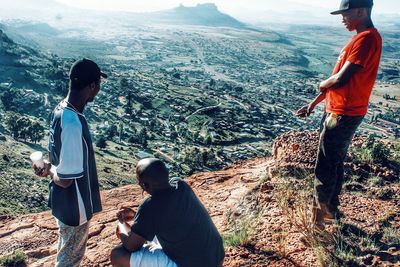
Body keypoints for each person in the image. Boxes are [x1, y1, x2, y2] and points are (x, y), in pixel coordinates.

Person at [296, 0, 382, 229]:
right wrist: (315, 104)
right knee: (333, 163)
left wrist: (319, 84)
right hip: (338, 110)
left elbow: (339, 79)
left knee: (324, 166)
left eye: (346, 13)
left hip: (343, 113)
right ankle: (330, 212)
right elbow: (339, 82)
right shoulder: (359, 38)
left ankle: (318, 222)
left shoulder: (366, 39)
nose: (342, 18)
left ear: (361, 11)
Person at [33, 58, 107, 266]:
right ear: (92, 86)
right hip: (76, 206)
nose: (98, 90)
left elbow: (55, 154)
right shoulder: (73, 122)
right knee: (70, 260)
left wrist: (48, 166)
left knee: (66, 250)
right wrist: (49, 170)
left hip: (64, 203)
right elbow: (65, 179)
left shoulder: (60, 110)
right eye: (98, 85)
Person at [110, 158, 225, 267]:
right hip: (216, 258)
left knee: (117, 255)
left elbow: (131, 246)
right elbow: (166, 217)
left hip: (190, 264)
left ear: (144, 185)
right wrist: (137, 217)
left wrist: (122, 224)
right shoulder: (180, 185)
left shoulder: (150, 206)